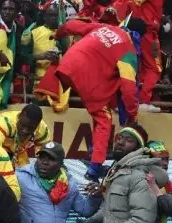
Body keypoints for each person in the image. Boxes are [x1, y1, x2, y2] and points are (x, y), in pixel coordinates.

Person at [51, 17, 146, 180]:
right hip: (87, 77)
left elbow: (72, 25)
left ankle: (93, 151)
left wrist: (57, 35)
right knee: (104, 118)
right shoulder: (129, 52)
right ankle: (95, 168)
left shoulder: (105, 27)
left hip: (67, 65)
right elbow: (129, 88)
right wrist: (132, 115)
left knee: (101, 108)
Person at [0, 103, 50, 168]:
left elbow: (44, 152)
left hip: (16, 152)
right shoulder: (5, 122)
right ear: (19, 117)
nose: (25, 131)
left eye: (31, 128)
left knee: (26, 171)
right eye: (23, 125)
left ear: (38, 125)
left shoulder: (42, 130)